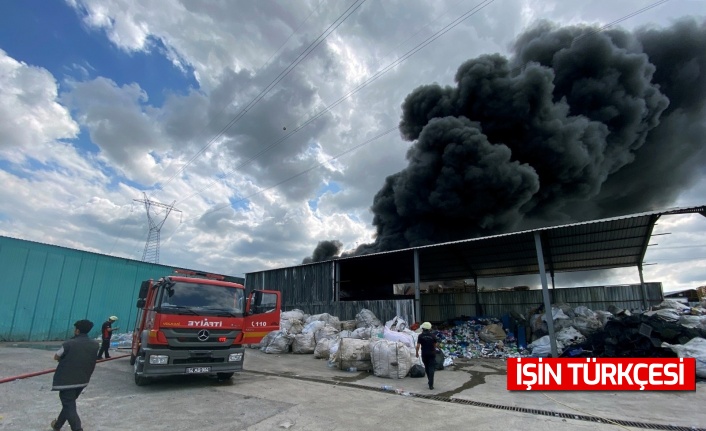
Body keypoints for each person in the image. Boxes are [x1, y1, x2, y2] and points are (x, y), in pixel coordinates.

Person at [51, 319, 99, 431]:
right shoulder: (95, 344)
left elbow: (56, 356)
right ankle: (57, 425)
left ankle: (77, 429)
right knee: (69, 404)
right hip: (83, 379)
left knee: (69, 404)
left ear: (77, 330)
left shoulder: (69, 343)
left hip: (66, 380)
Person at [415, 321, 438, 390]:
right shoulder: (433, 336)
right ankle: (431, 384)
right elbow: (435, 345)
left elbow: (418, 346)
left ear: (423, 328)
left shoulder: (420, 336)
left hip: (424, 354)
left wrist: (416, 353)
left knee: (427, 367)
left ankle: (429, 380)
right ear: (429, 328)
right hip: (432, 354)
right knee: (431, 368)